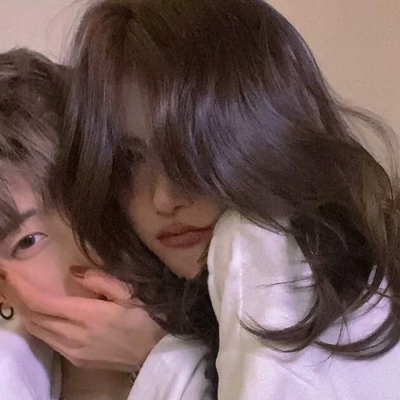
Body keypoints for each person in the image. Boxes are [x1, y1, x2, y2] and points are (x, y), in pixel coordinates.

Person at [3, 0, 400, 398]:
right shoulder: (192, 302)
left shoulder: (268, 247)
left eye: (186, 148)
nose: (164, 198)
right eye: (131, 159)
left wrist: (158, 356)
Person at [0, 48, 211, 400]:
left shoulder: (246, 331)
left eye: (26, 242)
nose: (7, 292)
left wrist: (155, 354)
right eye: (27, 242)